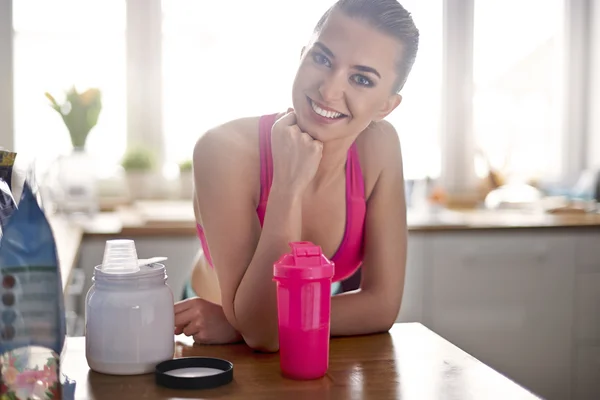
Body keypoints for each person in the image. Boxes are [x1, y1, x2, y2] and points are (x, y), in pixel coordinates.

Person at [174, 0, 419, 351]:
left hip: (241, 325)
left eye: (361, 79)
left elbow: (381, 307)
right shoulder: (223, 150)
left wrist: (239, 324)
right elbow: (264, 334)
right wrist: (287, 187)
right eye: (322, 59)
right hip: (206, 340)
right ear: (303, 55)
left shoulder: (379, 149)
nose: (329, 90)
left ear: (386, 106)